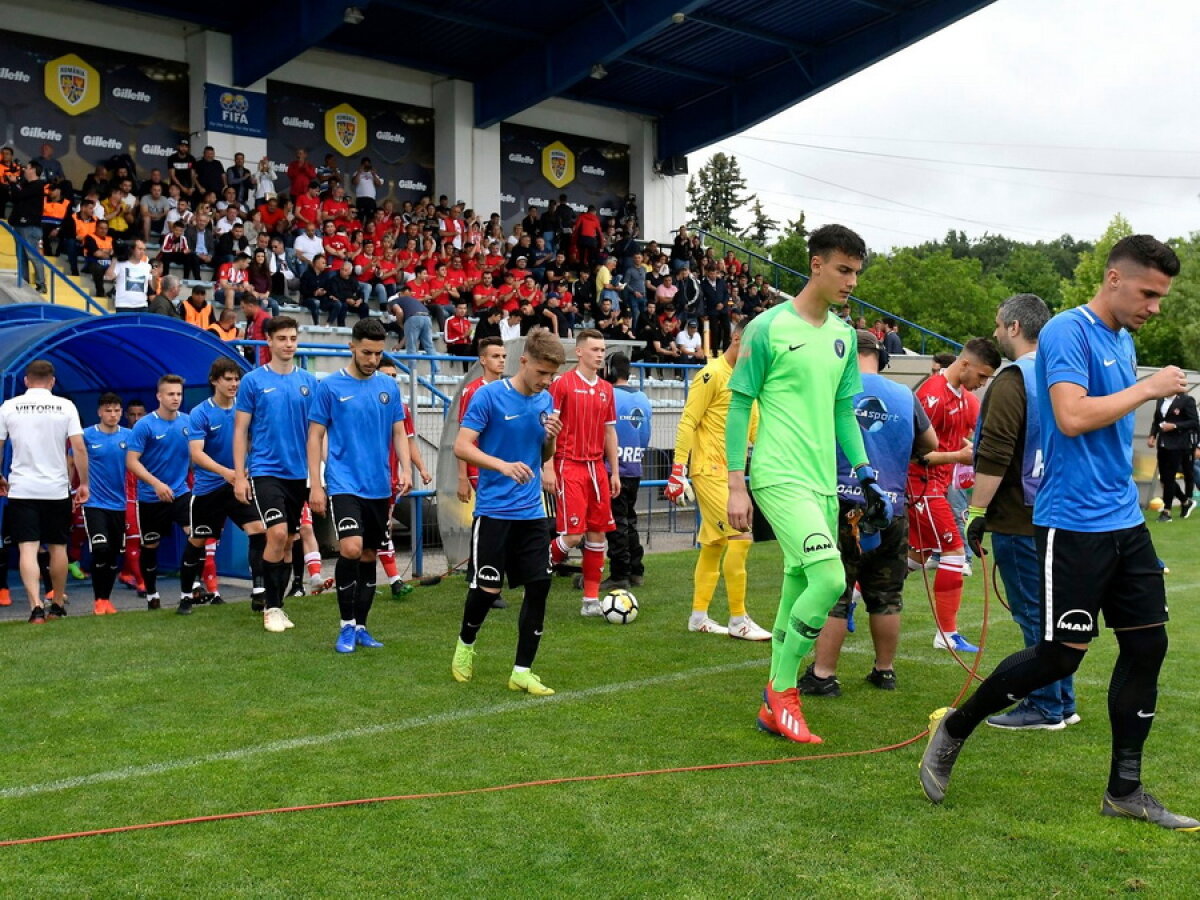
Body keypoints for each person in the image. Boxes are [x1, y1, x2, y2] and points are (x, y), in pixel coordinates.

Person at [919, 235, 1200, 831]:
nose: (1154, 306)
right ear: (1114, 278)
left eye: (1161, 296)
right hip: (1072, 525)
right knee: (1056, 658)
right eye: (1149, 293)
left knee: (1149, 646)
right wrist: (1150, 388)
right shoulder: (1068, 331)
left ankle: (1125, 790)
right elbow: (1071, 418)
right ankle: (955, 728)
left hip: (1124, 520)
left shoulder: (1122, 339)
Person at [725, 224, 892, 745]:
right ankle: (783, 692)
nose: (851, 282)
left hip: (824, 484)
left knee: (799, 586)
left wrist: (865, 474)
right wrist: (736, 484)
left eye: (857, 272)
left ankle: (772, 708)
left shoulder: (844, 336)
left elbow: (845, 410)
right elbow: (739, 404)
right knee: (830, 579)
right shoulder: (766, 328)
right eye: (843, 270)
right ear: (816, 265)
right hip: (777, 474)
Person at [961, 293, 1078, 730]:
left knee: (1032, 614)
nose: (994, 333)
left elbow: (994, 452)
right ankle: (1063, 700)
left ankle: (1046, 705)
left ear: (1014, 327)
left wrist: (975, 512)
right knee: (1054, 615)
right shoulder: (1063, 372)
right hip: (1062, 512)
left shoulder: (1013, 378)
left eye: (997, 324)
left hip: (1019, 517)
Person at [799, 330, 936, 696]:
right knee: (887, 595)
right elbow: (931, 444)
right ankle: (884, 670)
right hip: (891, 507)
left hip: (842, 503)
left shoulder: (832, 389)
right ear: (882, 357)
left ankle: (824, 673)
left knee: (835, 592)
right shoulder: (905, 396)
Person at [451, 328, 566, 695]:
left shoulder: (545, 402)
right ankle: (465, 645)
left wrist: (551, 437)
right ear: (524, 362)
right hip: (494, 511)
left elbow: (543, 455)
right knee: (487, 588)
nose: (546, 381)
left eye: (551, 375)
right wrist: (501, 466)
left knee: (540, 586)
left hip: (531, 511)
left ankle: (522, 671)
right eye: (541, 373)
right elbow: (462, 446)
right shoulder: (488, 397)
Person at [308, 318, 412, 653]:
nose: (372, 360)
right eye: (366, 352)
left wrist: (406, 468)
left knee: (369, 553)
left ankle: (362, 626)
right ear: (351, 346)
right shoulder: (330, 387)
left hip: (379, 485)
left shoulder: (388, 387)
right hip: (344, 483)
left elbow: (399, 431)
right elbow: (315, 436)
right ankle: (345, 626)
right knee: (351, 548)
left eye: (378, 354)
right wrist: (316, 483)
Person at [666, 318, 771, 640]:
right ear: (737, 339)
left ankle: (699, 617)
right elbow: (688, 422)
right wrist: (677, 470)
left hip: (731, 472)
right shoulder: (711, 374)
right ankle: (738, 620)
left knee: (712, 545)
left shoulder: (749, 380)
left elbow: (755, 430)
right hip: (710, 471)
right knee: (741, 536)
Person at [907, 337, 999, 652]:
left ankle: (851, 597)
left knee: (914, 559)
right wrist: (960, 457)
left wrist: (972, 449)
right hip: (920, 486)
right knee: (955, 553)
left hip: (938, 487)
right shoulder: (931, 395)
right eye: (982, 376)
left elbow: (968, 435)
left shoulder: (964, 398)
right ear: (964, 365)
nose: (982, 384)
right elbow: (915, 455)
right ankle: (946, 635)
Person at [234, 316, 318, 632]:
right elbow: (241, 430)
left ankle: (278, 606)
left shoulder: (310, 382)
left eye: (292, 338)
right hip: (266, 470)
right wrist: (241, 475)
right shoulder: (253, 381)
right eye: (282, 338)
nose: (288, 344)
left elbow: (316, 432)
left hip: (299, 474)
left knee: (289, 541)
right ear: (268, 341)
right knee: (278, 534)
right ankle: (271, 608)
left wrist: (318, 475)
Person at [0, 360, 88, 622]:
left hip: (22, 489)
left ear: (26, 381)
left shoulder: (9, 406)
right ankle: (57, 604)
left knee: (28, 549)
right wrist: (83, 483)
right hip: (56, 490)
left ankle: (35, 606)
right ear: (52, 381)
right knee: (58, 547)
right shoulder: (65, 406)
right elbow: (79, 448)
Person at [182, 358, 267, 613]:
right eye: (227, 379)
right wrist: (226, 472)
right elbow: (196, 454)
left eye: (236, 379)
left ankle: (260, 592)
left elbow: (254, 441)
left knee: (257, 530)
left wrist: (246, 471)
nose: (233, 384)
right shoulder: (201, 412)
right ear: (214, 381)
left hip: (238, 484)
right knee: (198, 540)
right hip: (208, 489)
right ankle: (186, 595)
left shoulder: (245, 409)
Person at [545, 330, 619, 618]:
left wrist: (612, 470)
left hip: (597, 468)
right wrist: (548, 466)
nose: (600, 354)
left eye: (602, 350)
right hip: (569, 464)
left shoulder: (606, 389)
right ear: (579, 352)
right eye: (595, 349)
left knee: (598, 534)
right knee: (573, 535)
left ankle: (590, 601)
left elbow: (609, 431)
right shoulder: (562, 385)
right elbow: (548, 427)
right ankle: (539, 565)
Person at [126, 374, 192, 611]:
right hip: (151, 497)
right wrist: (156, 484)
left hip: (181, 492)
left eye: (178, 394)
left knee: (196, 536)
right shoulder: (145, 425)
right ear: (159, 396)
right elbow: (132, 461)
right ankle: (152, 593)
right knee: (150, 546)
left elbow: (197, 455)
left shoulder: (188, 422)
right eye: (171, 394)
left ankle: (188, 593)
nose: (175, 398)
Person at [80, 393, 131, 615]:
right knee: (100, 549)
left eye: (117, 411)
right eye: (108, 411)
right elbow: (73, 462)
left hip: (119, 505)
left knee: (112, 555)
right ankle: (97, 600)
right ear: (100, 412)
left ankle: (106, 599)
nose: (113, 415)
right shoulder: (87, 436)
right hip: (94, 503)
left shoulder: (129, 436)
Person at [605, 353, 651, 590]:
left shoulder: (609, 395)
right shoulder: (643, 398)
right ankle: (636, 569)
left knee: (616, 523)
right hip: (635, 467)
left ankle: (620, 573)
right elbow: (646, 435)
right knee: (630, 520)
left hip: (614, 469)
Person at [456, 337, 507, 505]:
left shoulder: (510, 389)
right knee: (492, 510)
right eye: (496, 356)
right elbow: (461, 435)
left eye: (503, 356)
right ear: (483, 360)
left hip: (505, 462)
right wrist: (462, 477)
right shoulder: (472, 391)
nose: (501, 360)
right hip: (480, 466)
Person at [1147, 387, 1197, 521]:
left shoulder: (1186, 401)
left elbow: (1194, 422)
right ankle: (1186, 501)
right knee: (1164, 478)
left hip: (1178, 444)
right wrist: (1153, 435)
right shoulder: (1160, 400)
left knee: (1170, 476)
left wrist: (1174, 426)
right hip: (1163, 443)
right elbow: (1157, 420)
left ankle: (1167, 511)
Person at [9, 160, 47, 293]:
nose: (25, 169)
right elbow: (15, 197)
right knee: (21, 256)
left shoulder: (37, 185)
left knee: (32, 255)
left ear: (33, 170)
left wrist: (14, 183)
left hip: (30, 226)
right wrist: (14, 183)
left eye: (27, 167)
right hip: (20, 224)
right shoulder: (28, 185)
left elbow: (19, 195)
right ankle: (24, 283)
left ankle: (41, 285)